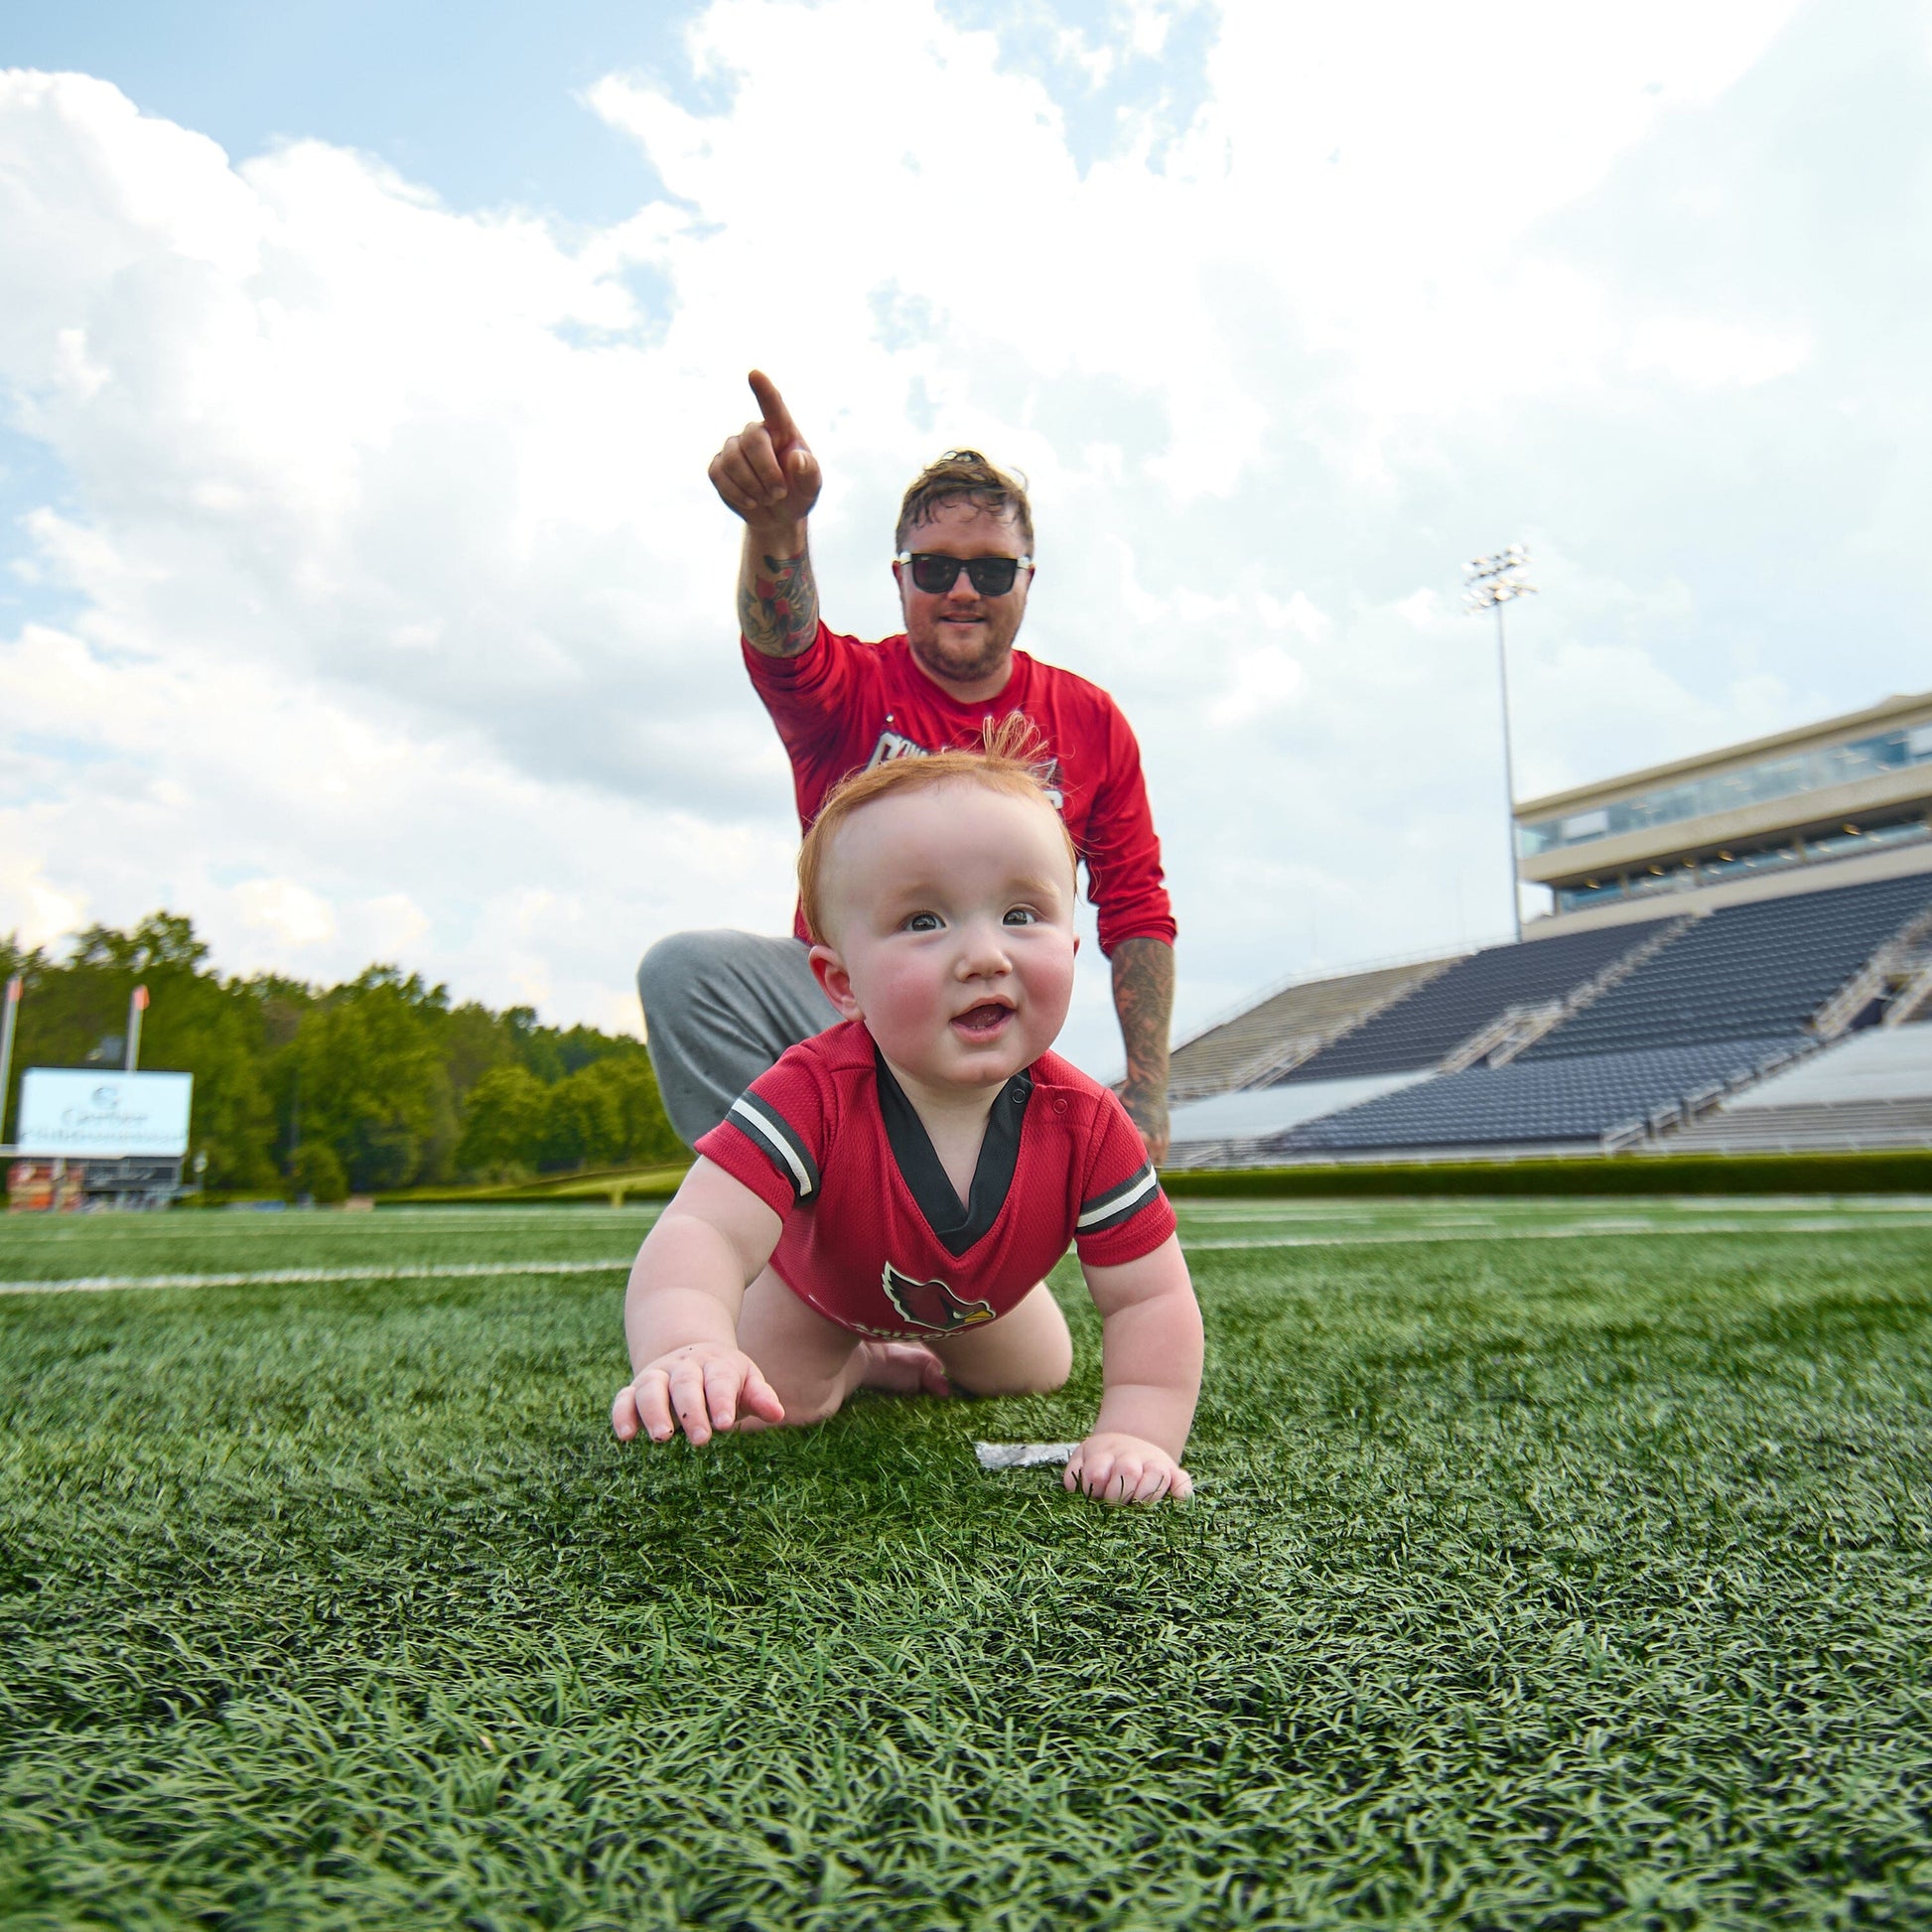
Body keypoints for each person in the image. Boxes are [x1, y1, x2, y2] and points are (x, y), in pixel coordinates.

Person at [612, 726, 1203, 1505]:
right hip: (820, 1294)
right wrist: (687, 1344)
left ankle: (929, 1337)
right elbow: (705, 1231)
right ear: (842, 981)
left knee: (1036, 1375)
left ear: (1071, 936)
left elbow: (1150, 1298)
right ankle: (862, 1361)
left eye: (1022, 913)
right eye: (925, 921)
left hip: (978, 1300)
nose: (986, 954)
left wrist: (1138, 1432)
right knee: (768, 1408)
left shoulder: (1088, 1125)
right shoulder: (811, 1092)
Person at [636, 371, 1177, 1163]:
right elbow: (783, 646)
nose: (963, 590)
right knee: (684, 972)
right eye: (936, 568)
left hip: (994, 1036)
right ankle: (794, 1204)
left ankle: (959, 1182)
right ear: (900, 577)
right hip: (854, 1015)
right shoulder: (850, 691)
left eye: (991, 571)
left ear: (1026, 582)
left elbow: (1135, 908)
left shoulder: (1089, 721)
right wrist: (777, 526)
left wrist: (1149, 1088)